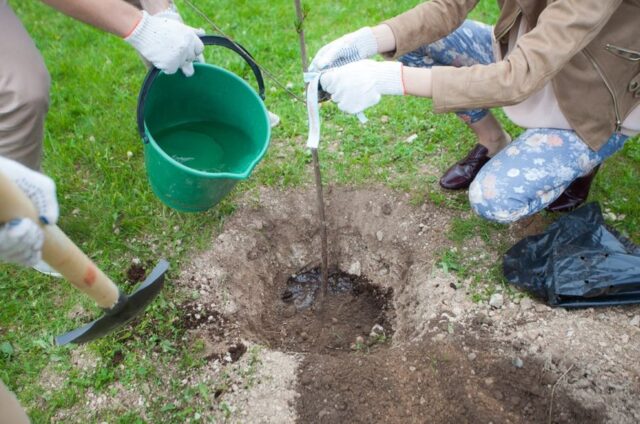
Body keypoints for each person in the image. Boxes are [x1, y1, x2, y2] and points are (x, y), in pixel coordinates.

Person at [310, 0, 639, 223]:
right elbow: (447, 7)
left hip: (591, 98)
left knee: (494, 199)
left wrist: (388, 80)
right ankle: (494, 142)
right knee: (411, 41)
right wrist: (366, 41)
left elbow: (517, 78)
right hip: (527, 57)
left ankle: (583, 161)